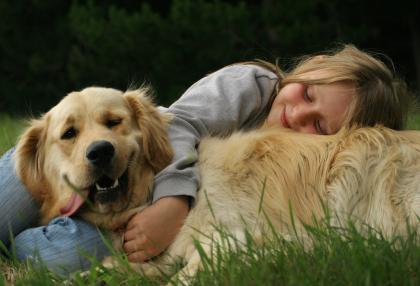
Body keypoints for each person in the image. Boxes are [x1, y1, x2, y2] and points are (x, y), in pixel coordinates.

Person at [0, 44, 411, 274]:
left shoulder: (296, 162)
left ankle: (27, 242)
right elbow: (178, 125)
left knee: (43, 255)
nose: (297, 114)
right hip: (84, 163)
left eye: (319, 127)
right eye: (306, 95)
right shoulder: (251, 84)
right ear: (310, 67)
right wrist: (172, 204)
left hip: (125, 198)